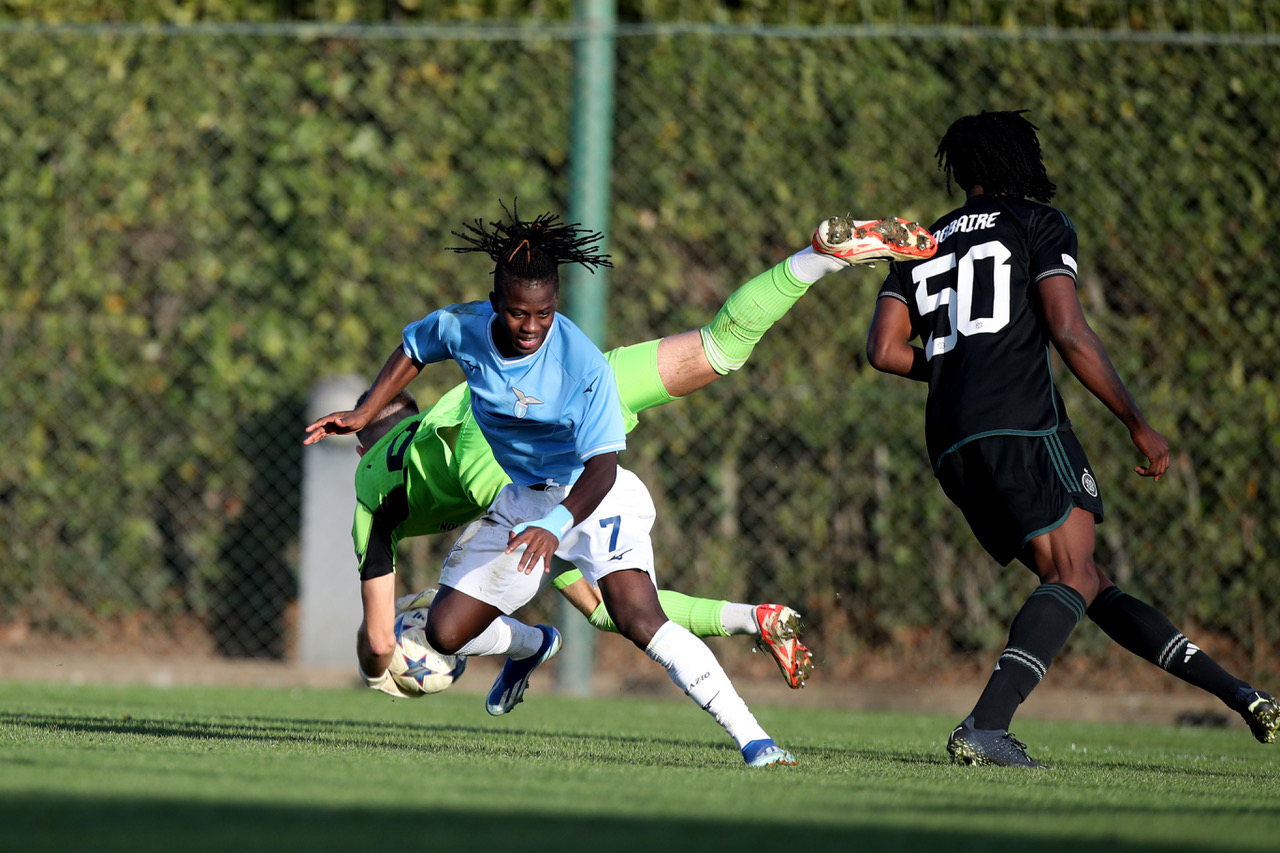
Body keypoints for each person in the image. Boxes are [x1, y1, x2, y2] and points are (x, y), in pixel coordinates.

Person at [306, 202, 935, 767]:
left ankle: (756, 739)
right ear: (495, 304)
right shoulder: (466, 334)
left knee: (630, 614)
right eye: (519, 314)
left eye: (543, 315)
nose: (530, 326)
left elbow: (602, 471)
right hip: (527, 495)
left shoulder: (572, 372)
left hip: (580, 476)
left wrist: (552, 534)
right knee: (452, 632)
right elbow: (418, 342)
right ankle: (814, 260)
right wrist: (364, 411)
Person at [859, 110, 1279, 767]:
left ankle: (1241, 694)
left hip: (949, 440)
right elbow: (1070, 330)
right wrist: (1137, 422)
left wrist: (955, 368)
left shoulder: (923, 240)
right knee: (1074, 571)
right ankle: (986, 725)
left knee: (1087, 581)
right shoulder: (1038, 223)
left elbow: (883, 350)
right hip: (1022, 422)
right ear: (1020, 162)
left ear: (961, 170)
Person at [349, 384, 816, 693]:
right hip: (547, 493)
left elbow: (376, 633)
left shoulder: (386, 485)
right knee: (611, 607)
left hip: (532, 507)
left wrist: (379, 671)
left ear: (360, 447)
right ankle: (756, 617)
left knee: (604, 607)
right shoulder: (443, 423)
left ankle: (533, 645)